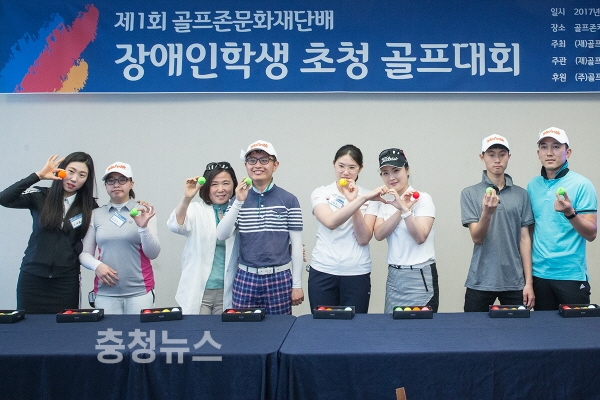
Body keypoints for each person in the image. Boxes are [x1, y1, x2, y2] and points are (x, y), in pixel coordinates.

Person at [0, 153, 96, 313]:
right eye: (71, 171)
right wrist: (38, 175)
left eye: (82, 175)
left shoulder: (89, 206)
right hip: (32, 278)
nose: (74, 179)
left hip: (65, 282)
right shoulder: (40, 196)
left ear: (87, 179)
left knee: (64, 327)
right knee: (28, 325)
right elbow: (4, 199)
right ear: (61, 170)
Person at [216, 140, 303, 315]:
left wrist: (297, 284)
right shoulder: (237, 199)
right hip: (246, 277)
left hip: (279, 277)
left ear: (275, 165)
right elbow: (221, 235)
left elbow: (297, 245)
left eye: (264, 160)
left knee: (279, 329)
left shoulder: (289, 200)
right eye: (252, 160)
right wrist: (238, 201)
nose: (257, 165)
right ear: (246, 165)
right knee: (243, 328)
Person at [308, 144, 387, 313]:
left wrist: (354, 200)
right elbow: (330, 222)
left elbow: (363, 238)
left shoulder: (370, 197)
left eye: (352, 167)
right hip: (323, 269)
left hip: (356, 272)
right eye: (341, 166)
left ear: (360, 169)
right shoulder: (321, 192)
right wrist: (361, 199)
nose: (345, 172)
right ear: (334, 164)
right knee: (322, 324)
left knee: (354, 325)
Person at [460, 135, 535, 312]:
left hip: (514, 279)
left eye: (502, 154)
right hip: (481, 278)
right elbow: (477, 238)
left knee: (518, 328)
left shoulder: (521, 195)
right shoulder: (469, 193)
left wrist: (529, 283)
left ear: (509, 156)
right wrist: (487, 213)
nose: (497, 159)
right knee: (473, 327)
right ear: (482, 157)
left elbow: (524, 239)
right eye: (491, 154)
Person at [527, 127, 597, 310]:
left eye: (556, 146)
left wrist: (569, 213)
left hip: (571, 276)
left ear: (568, 152)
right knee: (544, 328)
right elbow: (530, 232)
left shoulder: (582, 184)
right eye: (544, 147)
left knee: (576, 328)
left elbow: (591, 233)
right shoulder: (533, 186)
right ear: (538, 153)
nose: (549, 152)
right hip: (539, 275)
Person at [79, 162, 160, 314]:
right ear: (105, 185)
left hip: (140, 292)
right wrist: (97, 266)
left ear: (131, 184)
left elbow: (153, 253)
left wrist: (143, 228)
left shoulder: (144, 211)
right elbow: (84, 254)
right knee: (109, 330)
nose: (116, 185)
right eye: (111, 180)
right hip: (105, 293)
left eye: (122, 180)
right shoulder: (96, 214)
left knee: (139, 330)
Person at [167, 161, 239, 314]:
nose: (220, 189)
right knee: (198, 328)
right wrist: (187, 198)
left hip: (229, 290)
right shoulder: (196, 209)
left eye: (226, 183)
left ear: (234, 185)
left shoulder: (238, 210)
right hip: (200, 290)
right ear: (206, 187)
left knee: (226, 329)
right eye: (214, 184)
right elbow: (176, 226)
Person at [373, 148, 438, 312]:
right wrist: (400, 209)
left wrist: (405, 209)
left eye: (396, 170)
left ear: (407, 170)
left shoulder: (422, 198)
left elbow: (420, 236)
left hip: (419, 276)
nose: (391, 177)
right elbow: (379, 234)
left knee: (420, 326)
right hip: (394, 276)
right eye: (385, 173)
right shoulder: (385, 202)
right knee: (391, 325)